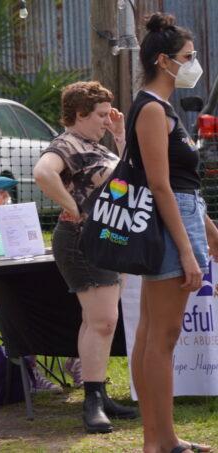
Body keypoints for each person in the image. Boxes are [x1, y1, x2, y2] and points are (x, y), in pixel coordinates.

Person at [129, 13, 218, 453]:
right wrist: (187, 251)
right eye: (188, 57)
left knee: (151, 334)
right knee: (160, 340)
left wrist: (208, 232)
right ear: (164, 60)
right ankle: (156, 443)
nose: (193, 63)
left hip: (180, 220)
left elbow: (181, 186)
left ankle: (164, 438)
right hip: (169, 229)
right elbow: (160, 186)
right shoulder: (150, 109)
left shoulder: (159, 108)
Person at [33, 81, 138, 433]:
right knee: (103, 320)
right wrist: (72, 207)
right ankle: (92, 402)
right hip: (82, 240)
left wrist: (120, 133)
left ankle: (98, 393)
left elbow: (128, 175)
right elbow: (43, 173)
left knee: (97, 321)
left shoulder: (93, 144)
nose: (107, 121)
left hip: (106, 238)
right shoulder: (66, 144)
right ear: (79, 114)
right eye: (102, 115)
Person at [0, 167, 83, 392]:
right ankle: (30, 373)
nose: (7, 196)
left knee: (71, 296)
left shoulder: (11, 224)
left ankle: (76, 358)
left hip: (20, 284)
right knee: (25, 305)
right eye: (1, 193)